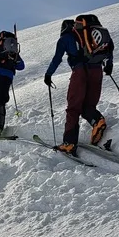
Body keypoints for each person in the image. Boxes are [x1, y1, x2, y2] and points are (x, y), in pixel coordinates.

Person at [44, 14, 113, 155]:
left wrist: (48, 74)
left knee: (73, 108)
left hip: (80, 72)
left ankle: (69, 143)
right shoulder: (92, 34)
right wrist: (109, 64)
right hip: (97, 70)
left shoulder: (65, 38)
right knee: (88, 105)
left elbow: (57, 59)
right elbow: (109, 49)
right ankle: (97, 121)